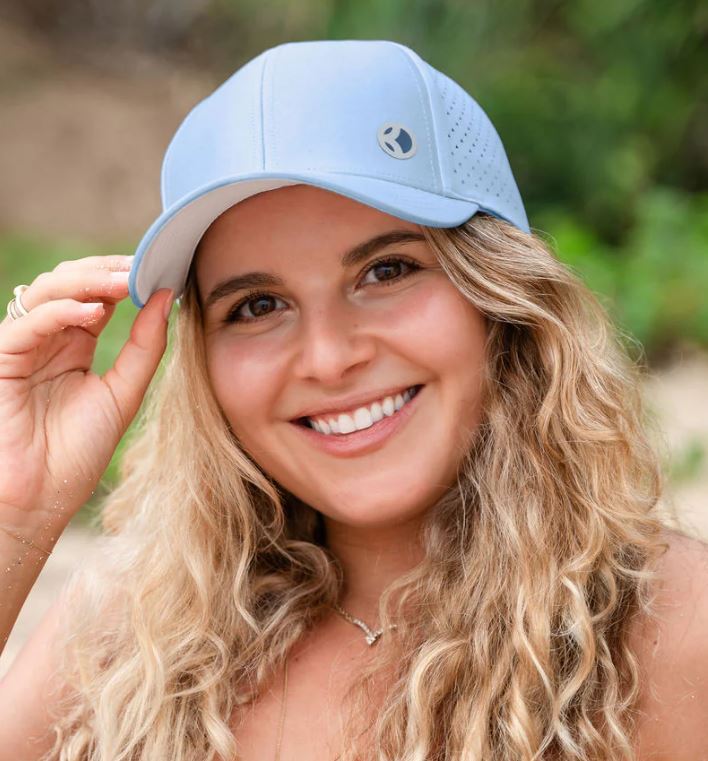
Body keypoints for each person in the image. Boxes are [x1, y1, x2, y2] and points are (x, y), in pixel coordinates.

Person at [0, 38, 706, 761]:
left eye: (386, 270)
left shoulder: (670, 631)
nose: (331, 357)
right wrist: (16, 509)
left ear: (500, 295)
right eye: (258, 304)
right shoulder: (127, 639)